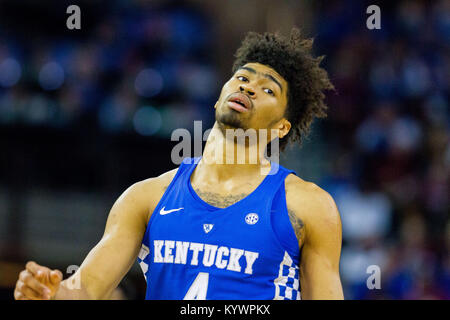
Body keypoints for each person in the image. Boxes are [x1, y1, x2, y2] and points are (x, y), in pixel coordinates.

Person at [14, 28, 343, 300]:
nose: (249, 87)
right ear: (220, 96)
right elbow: (86, 288)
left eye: (267, 89)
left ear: (280, 128)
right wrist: (49, 293)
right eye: (243, 77)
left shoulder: (307, 206)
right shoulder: (146, 196)